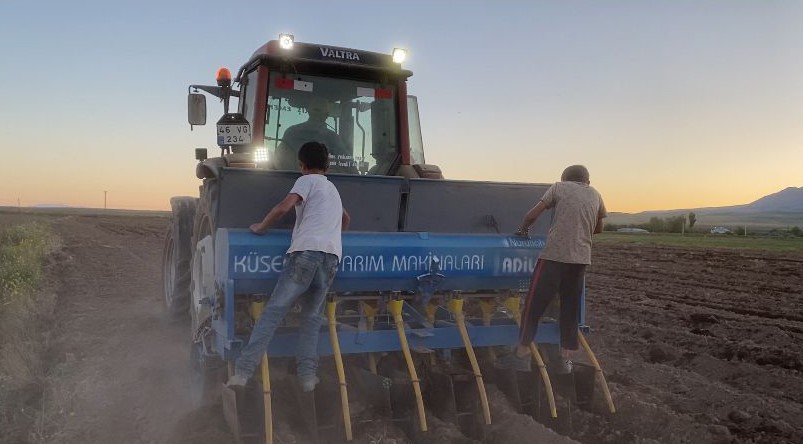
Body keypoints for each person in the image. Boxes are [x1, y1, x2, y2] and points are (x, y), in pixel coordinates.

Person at [227, 141, 351, 392]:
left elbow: (284, 206)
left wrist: (261, 227)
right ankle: (307, 379)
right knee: (311, 320)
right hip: (331, 259)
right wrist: (332, 238)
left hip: (306, 254)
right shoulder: (332, 189)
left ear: (302, 165)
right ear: (327, 166)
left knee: (273, 313)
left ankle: (242, 373)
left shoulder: (306, 181)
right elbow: (346, 218)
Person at [495, 165, 606, 374]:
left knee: (534, 303)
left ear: (564, 179)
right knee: (570, 306)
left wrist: (523, 230)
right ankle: (565, 357)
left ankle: (521, 353)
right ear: (587, 181)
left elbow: (531, 215)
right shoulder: (596, 195)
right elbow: (599, 228)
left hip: (554, 256)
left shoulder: (558, 188)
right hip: (581, 259)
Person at [273, 96, 354, 173]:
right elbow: (348, 165)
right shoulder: (332, 137)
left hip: (288, 181)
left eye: (318, 113)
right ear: (326, 115)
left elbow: (278, 162)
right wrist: (358, 176)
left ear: (309, 112)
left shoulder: (291, 132)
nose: (317, 116)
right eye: (317, 113)